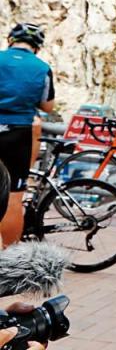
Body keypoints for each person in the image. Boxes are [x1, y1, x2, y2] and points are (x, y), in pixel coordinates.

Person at [0, 23, 55, 247]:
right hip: (18, 133)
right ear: (37, 47)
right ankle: (7, 258)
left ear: (10, 39)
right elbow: (48, 106)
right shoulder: (42, 68)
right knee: (14, 197)